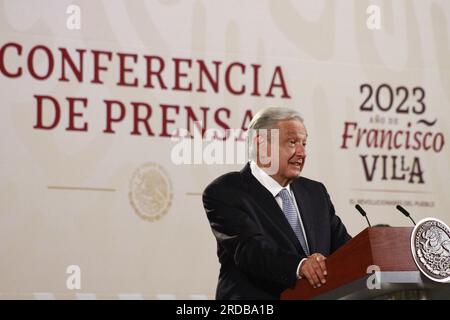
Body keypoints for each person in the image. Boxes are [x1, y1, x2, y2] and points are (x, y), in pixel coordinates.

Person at [202, 107, 352, 299]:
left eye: (304, 143)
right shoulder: (227, 191)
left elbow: (346, 249)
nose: (302, 153)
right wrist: (301, 266)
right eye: (292, 142)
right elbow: (250, 250)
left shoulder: (315, 193)